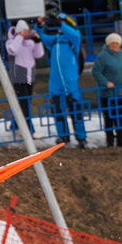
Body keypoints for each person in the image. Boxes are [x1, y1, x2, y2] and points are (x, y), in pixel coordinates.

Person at [45, 13, 85, 145]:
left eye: (62, 24)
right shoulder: (55, 40)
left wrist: (61, 24)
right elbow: (42, 36)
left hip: (70, 83)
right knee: (58, 110)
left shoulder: (73, 40)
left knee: (76, 111)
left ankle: (81, 137)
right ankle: (63, 136)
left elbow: (74, 33)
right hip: (56, 84)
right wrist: (39, 24)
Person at [91, 31, 122, 147]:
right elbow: (95, 71)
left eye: (117, 44)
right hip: (107, 93)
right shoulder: (102, 56)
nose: (115, 46)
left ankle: (121, 139)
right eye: (112, 44)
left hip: (120, 91)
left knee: (120, 116)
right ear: (108, 45)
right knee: (109, 117)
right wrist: (105, 82)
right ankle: (110, 141)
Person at [5, 20, 43, 130]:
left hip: (30, 74)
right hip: (19, 76)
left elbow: (38, 54)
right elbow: (13, 50)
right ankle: (28, 127)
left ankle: (16, 123)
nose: (26, 33)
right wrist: (20, 37)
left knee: (25, 101)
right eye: (24, 31)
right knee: (24, 102)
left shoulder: (29, 42)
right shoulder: (11, 42)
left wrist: (38, 42)